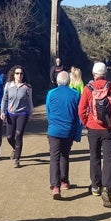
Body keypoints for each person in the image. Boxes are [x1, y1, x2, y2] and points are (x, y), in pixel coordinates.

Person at [78, 62, 111, 208]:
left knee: (94, 157)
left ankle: (95, 187)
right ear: (106, 74)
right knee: (109, 159)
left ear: (94, 74)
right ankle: (108, 188)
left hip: (93, 128)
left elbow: (81, 109)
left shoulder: (88, 88)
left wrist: (87, 123)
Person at [46, 71, 81, 199]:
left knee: (54, 157)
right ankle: (64, 182)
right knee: (65, 155)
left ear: (57, 81)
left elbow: (48, 112)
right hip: (69, 131)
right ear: (69, 81)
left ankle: (55, 187)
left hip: (54, 130)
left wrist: (51, 126)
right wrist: (78, 133)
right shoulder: (76, 94)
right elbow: (79, 116)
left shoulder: (51, 93)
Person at [0, 65, 34, 168]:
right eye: (17, 73)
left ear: (23, 75)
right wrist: (2, 111)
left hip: (22, 114)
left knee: (18, 135)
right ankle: (15, 148)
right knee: (9, 136)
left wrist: (31, 112)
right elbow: (4, 99)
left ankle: (17, 159)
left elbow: (30, 101)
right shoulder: (8, 85)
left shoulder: (27, 87)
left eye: (21, 73)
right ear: (13, 74)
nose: (19, 75)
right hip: (10, 114)